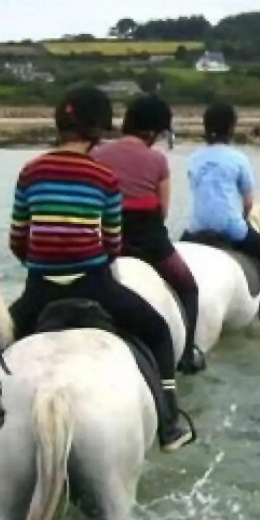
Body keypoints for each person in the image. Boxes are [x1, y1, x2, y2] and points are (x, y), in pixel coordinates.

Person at [8, 86, 190, 452]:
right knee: (157, 331)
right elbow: (111, 242)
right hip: (93, 285)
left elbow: (18, 238)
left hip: (39, 288)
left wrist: (42, 263)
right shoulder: (103, 177)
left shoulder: (30, 172)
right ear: (98, 130)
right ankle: (169, 420)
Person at [91, 94, 205, 374]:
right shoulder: (157, 161)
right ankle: (187, 353)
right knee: (188, 286)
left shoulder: (96, 155)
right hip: (150, 241)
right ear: (153, 131)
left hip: (106, 241)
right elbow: (163, 210)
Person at [182, 102, 260, 332]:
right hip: (230, 227)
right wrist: (244, 219)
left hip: (197, 228)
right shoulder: (238, 158)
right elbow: (248, 201)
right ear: (231, 128)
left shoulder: (194, 158)